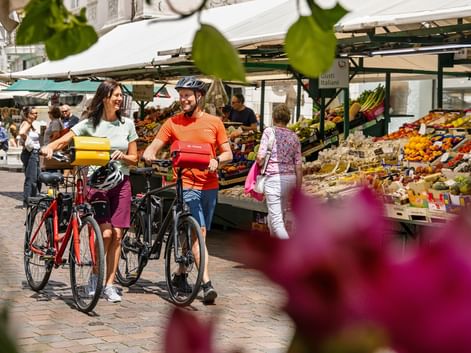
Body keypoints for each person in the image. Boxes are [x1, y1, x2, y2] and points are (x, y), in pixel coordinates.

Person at [42, 80, 138, 303]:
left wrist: (123, 157)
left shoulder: (128, 124)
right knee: (105, 233)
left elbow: (135, 157)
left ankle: (110, 284)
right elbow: (65, 140)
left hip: (121, 182)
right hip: (97, 183)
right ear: (104, 97)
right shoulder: (89, 124)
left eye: (120, 95)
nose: (119, 98)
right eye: (115, 94)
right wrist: (49, 147)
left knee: (117, 235)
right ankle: (96, 275)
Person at [143, 76, 233, 305]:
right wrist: (149, 153)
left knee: (194, 233)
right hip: (187, 184)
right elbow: (154, 145)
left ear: (199, 97)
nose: (183, 100)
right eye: (180, 96)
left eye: (187, 96)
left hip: (209, 186)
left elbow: (228, 153)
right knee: (199, 233)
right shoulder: (172, 123)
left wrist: (218, 161)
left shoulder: (215, 122)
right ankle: (206, 284)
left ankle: (180, 273)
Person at [256, 104, 302, 239]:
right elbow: (299, 166)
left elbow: (260, 157)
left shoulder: (269, 132)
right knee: (276, 216)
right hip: (291, 179)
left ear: (273, 117)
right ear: (288, 119)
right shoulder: (294, 137)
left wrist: (259, 163)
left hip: (274, 179)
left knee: (277, 221)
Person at [19, 106, 41, 208]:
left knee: (36, 178)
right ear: (28, 114)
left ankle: (33, 200)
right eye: (33, 113)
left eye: (36, 113)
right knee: (31, 178)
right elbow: (21, 133)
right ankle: (27, 202)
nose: (35, 115)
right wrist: (29, 141)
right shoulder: (27, 123)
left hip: (33, 153)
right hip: (30, 153)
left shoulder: (30, 124)